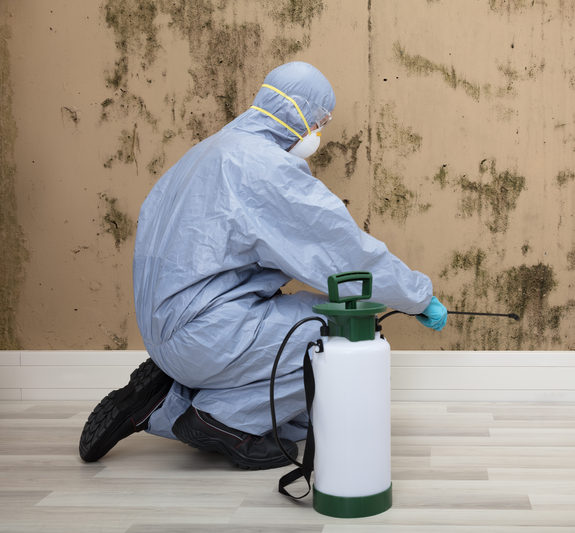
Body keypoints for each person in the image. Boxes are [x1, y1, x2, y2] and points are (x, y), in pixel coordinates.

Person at [79, 62, 447, 470]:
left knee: (303, 417)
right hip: (205, 333)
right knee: (338, 330)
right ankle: (221, 420)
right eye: (321, 120)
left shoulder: (208, 150)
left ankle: (165, 397)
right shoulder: (263, 168)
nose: (319, 131)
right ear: (300, 113)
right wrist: (418, 296)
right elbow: (343, 256)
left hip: (165, 329)